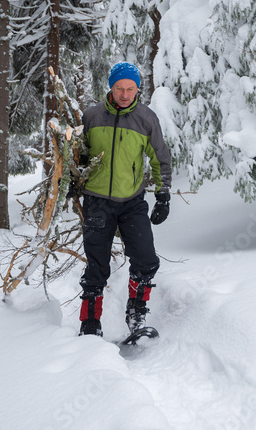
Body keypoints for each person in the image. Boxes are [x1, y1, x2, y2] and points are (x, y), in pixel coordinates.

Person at [75, 61, 172, 337]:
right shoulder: (92, 116)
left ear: (138, 89)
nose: (126, 94)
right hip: (97, 201)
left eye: (131, 88)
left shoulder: (146, 119)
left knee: (145, 259)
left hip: (132, 201)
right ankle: (90, 324)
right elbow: (78, 156)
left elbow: (160, 159)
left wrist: (163, 195)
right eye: (120, 88)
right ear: (111, 87)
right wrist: (72, 180)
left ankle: (136, 315)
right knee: (96, 266)